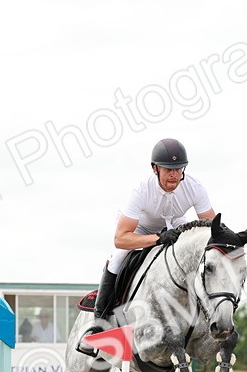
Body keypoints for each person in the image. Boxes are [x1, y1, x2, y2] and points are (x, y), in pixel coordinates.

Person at [80, 138, 217, 355]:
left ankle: (207, 310)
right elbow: (121, 238)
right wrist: (157, 239)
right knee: (117, 257)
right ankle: (99, 322)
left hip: (175, 224)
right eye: (168, 169)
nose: (174, 174)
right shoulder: (141, 191)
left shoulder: (195, 188)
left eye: (178, 168)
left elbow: (212, 228)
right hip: (141, 228)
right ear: (155, 169)